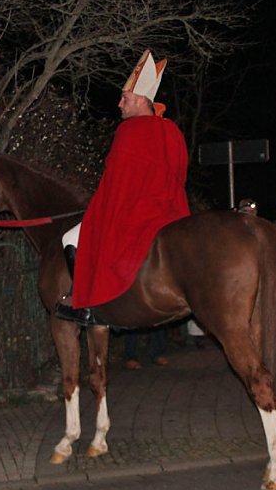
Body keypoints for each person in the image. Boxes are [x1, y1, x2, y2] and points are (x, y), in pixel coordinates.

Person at [56, 50, 190, 324]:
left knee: (70, 238)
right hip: (172, 211)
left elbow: (114, 182)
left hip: (134, 213)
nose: (119, 104)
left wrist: (97, 210)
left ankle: (84, 305)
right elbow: (180, 175)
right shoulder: (172, 131)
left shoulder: (129, 131)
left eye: (125, 98)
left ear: (141, 100)